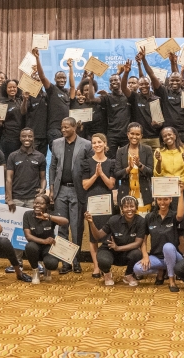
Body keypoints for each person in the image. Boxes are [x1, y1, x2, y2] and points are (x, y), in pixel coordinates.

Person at [49, 117, 90, 274]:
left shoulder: (86, 144)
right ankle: (65, 262)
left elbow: (88, 168)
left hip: (78, 191)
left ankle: (76, 260)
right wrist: (52, 188)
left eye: (66, 127)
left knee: (77, 227)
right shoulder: (56, 143)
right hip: (61, 191)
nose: (63, 130)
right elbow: (52, 167)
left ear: (74, 128)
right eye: (62, 127)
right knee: (62, 228)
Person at [133, 180, 184, 290]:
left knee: (168, 247)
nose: (163, 202)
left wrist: (181, 193)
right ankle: (161, 269)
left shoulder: (173, 215)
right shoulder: (149, 217)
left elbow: (180, 215)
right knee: (137, 268)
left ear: (170, 200)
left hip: (174, 257)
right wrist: (145, 255)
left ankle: (171, 279)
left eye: (166, 199)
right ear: (156, 200)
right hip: (157, 257)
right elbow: (143, 239)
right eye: (160, 199)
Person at [85, 195, 146, 286]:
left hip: (126, 252)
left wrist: (118, 248)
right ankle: (107, 274)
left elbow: (138, 243)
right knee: (103, 259)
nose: (129, 209)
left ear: (136, 207)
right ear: (121, 209)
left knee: (137, 254)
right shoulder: (114, 220)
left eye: (132, 206)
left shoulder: (141, 221)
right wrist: (91, 223)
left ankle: (128, 275)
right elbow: (98, 236)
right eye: (126, 207)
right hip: (110, 250)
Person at [82, 133, 117, 278]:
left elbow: (111, 184)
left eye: (99, 142)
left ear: (105, 143)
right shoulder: (86, 163)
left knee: (106, 234)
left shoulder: (112, 162)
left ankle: (104, 264)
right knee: (93, 236)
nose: (96, 145)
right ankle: (96, 266)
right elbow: (85, 185)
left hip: (107, 202)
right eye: (94, 143)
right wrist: (95, 175)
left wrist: (101, 173)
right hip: (92, 201)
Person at [22, 193, 69, 284]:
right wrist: (44, 241)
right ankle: (35, 271)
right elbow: (28, 236)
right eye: (35, 203)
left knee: (52, 264)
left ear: (47, 205)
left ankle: (47, 269)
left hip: (48, 247)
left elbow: (65, 221)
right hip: (35, 245)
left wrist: (50, 217)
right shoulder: (27, 214)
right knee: (29, 246)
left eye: (41, 203)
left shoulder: (50, 214)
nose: (37, 205)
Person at [154, 127, 184, 222]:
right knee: (170, 220)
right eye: (164, 136)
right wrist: (159, 161)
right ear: (162, 139)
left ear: (175, 135)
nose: (167, 137)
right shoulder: (159, 151)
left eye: (170, 134)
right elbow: (157, 174)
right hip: (167, 190)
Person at [114, 123, 154, 213]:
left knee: (143, 223)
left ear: (141, 136)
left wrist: (139, 165)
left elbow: (151, 172)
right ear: (128, 134)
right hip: (126, 193)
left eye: (137, 134)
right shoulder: (120, 151)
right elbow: (117, 174)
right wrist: (128, 168)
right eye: (132, 134)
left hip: (143, 193)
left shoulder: (147, 149)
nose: (134, 136)